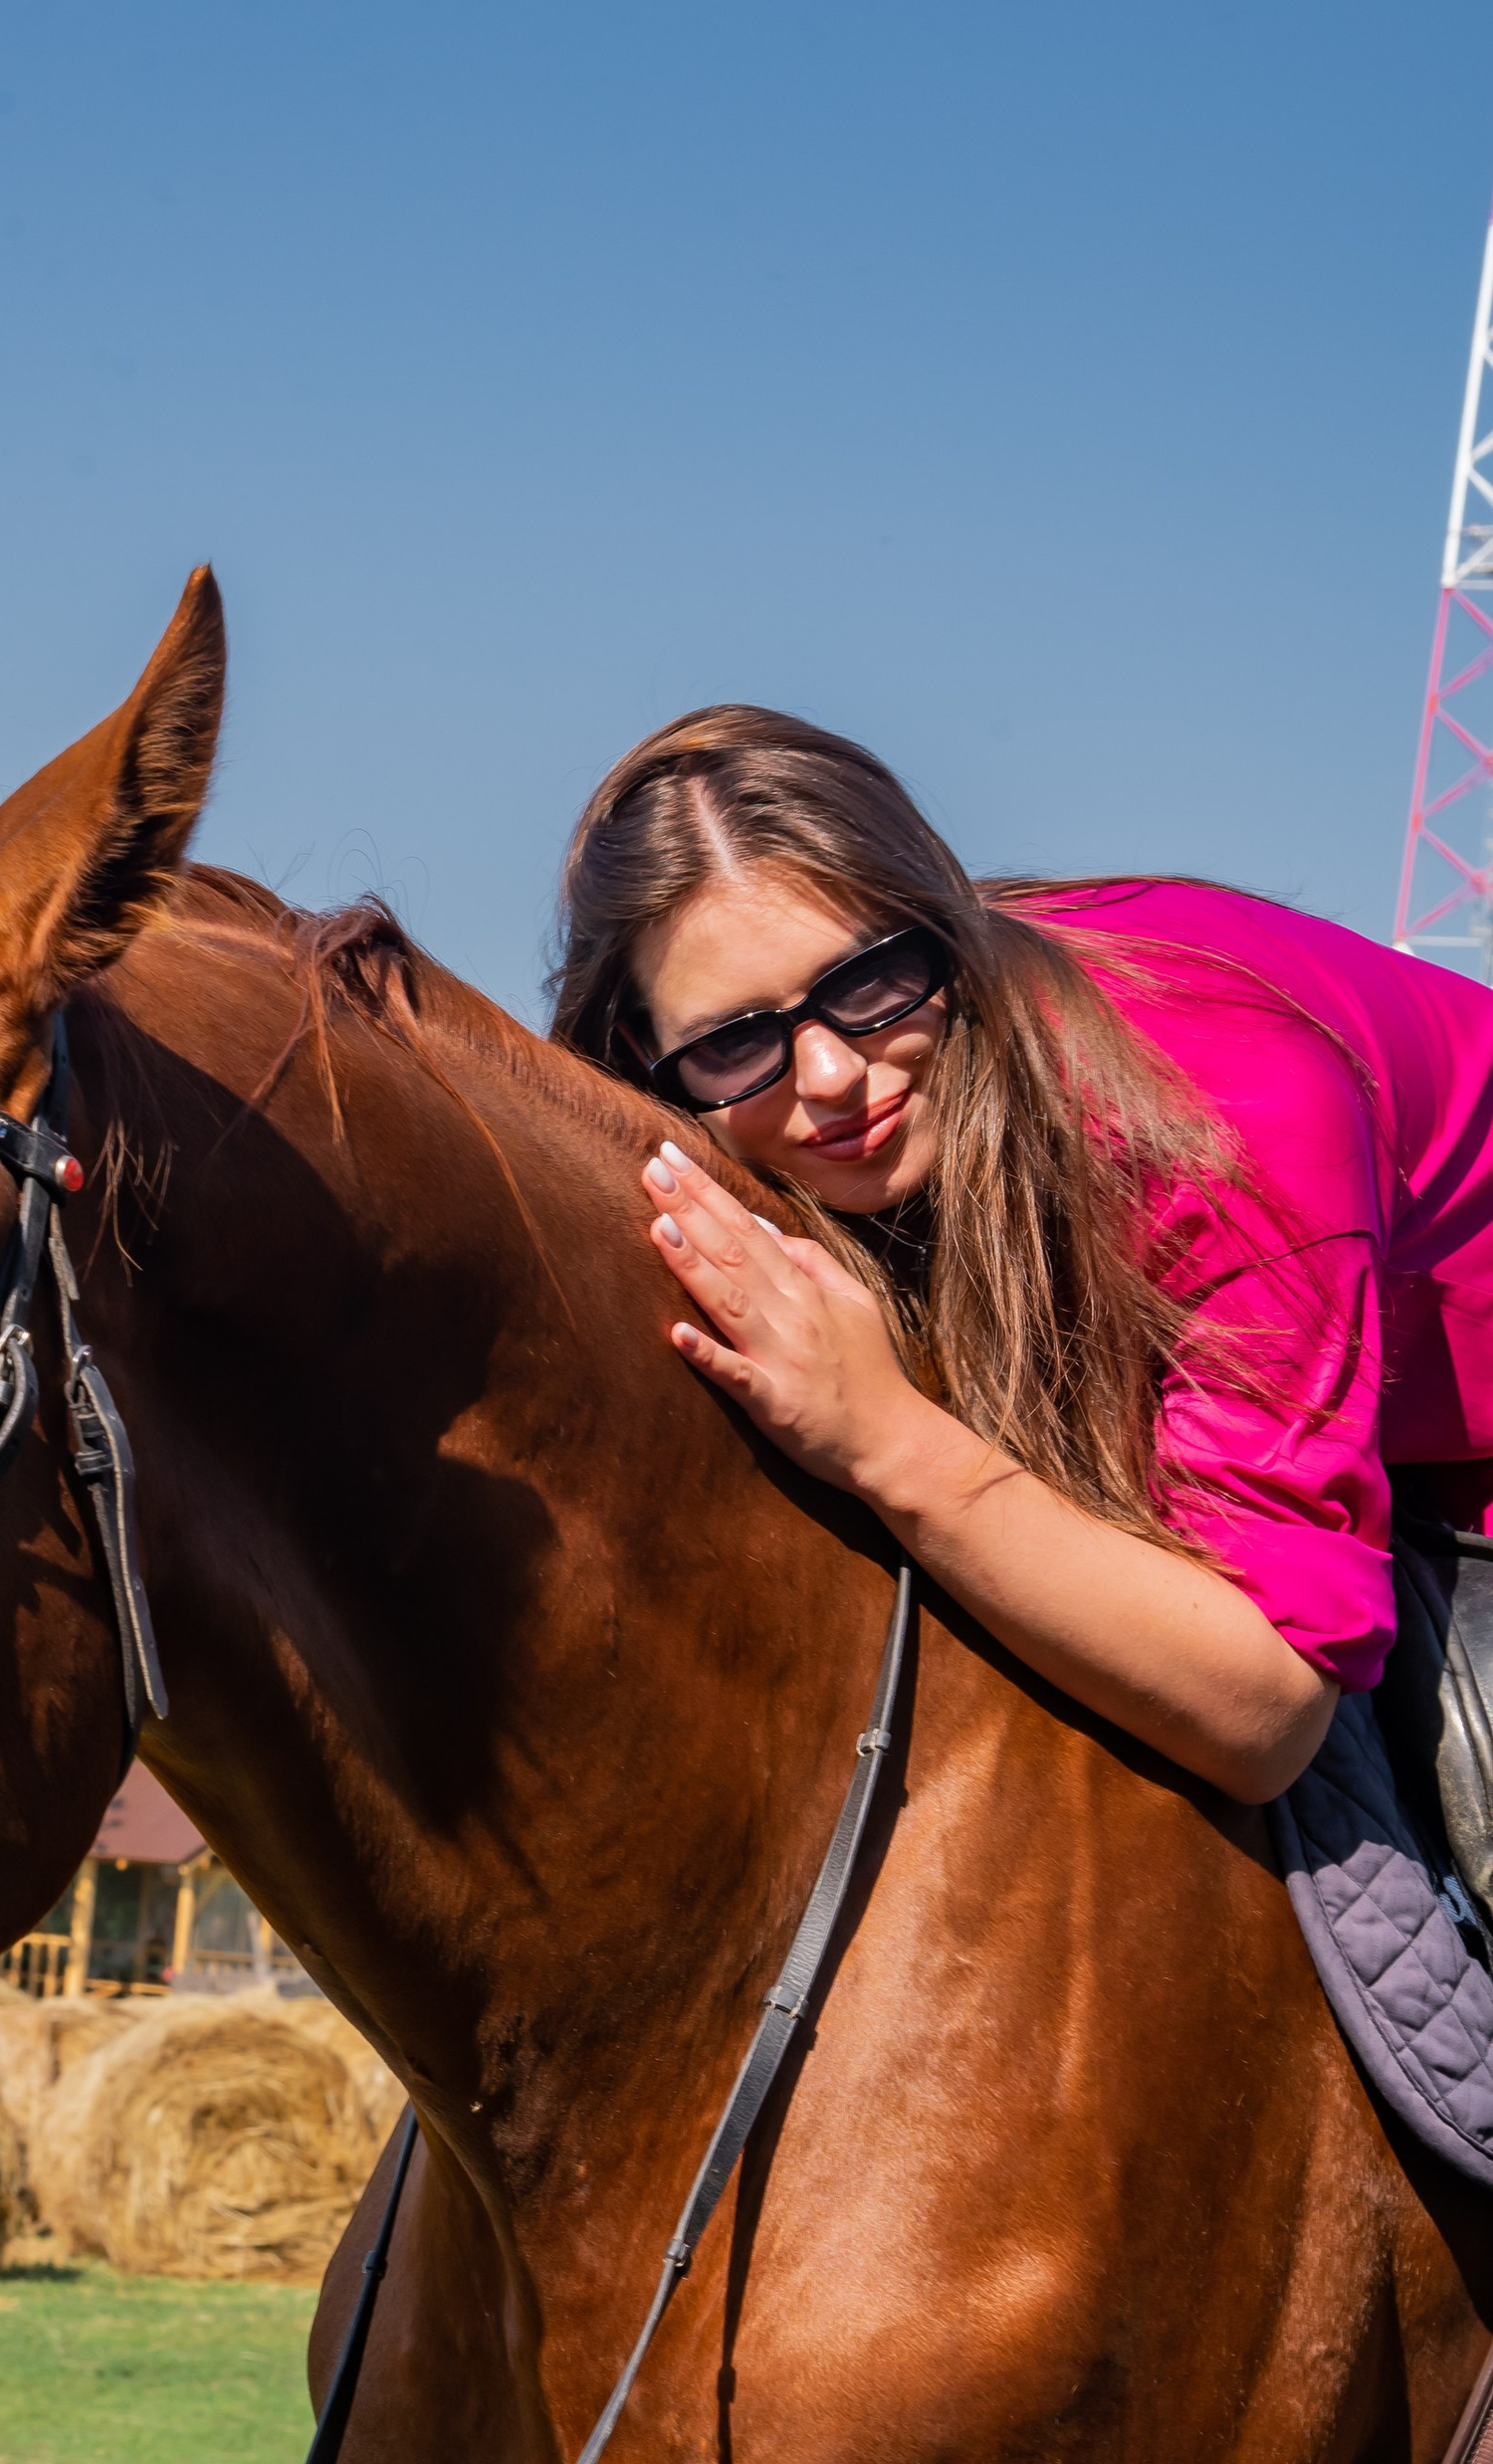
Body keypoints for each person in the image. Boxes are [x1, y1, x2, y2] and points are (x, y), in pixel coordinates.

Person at [549, 708, 1493, 1807]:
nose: (830, 1078)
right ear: (644, 1054)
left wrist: (884, 1437)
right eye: (732, 1042)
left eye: (864, 984)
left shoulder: (1222, 1118)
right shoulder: (744, 1114)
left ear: (945, 929)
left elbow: (1268, 1712)